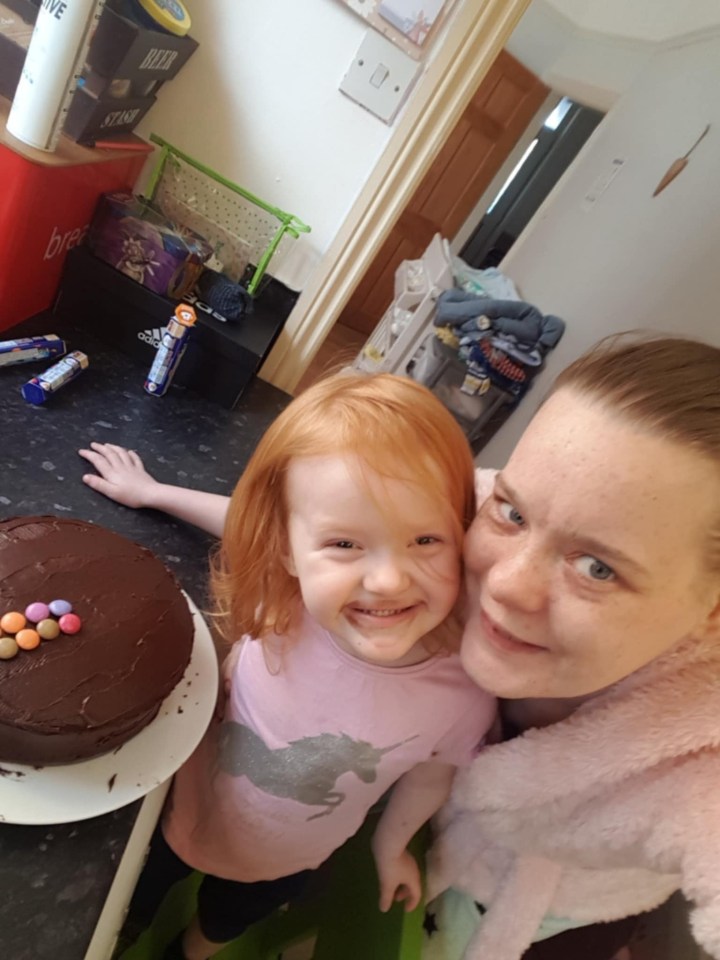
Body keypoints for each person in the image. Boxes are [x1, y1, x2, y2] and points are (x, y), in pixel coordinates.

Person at [78, 373, 496, 960]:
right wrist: (155, 494)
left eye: (426, 540)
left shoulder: (463, 696)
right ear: (286, 550)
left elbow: (432, 775)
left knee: (223, 924)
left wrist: (390, 845)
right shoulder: (284, 597)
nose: (388, 580)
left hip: (284, 862)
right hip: (177, 809)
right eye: (346, 545)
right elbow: (248, 522)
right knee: (126, 902)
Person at [426, 334, 720, 960]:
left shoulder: (704, 752)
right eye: (513, 513)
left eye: (596, 569)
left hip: (548, 919)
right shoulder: (464, 515)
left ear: (714, 614)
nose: (505, 584)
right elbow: (331, 528)